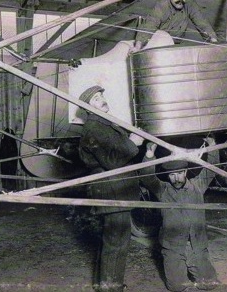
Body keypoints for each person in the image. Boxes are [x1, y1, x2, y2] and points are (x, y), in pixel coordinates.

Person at [77, 85, 144, 291]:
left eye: (101, 96)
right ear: (88, 108)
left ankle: (109, 285)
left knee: (115, 241)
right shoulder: (95, 129)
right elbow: (112, 161)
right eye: (95, 99)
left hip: (117, 189)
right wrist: (133, 143)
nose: (102, 100)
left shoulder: (104, 125)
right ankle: (110, 288)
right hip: (112, 191)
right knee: (116, 242)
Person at [139, 138, 221, 291]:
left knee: (210, 284)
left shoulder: (198, 185)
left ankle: (199, 269)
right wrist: (149, 155)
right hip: (173, 248)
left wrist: (213, 147)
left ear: (186, 172)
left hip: (196, 246)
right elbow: (147, 177)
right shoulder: (162, 190)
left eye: (179, 174)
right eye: (172, 175)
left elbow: (212, 169)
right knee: (176, 287)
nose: (176, 179)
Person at [133, 0, 218, 51]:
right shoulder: (162, 5)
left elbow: (202, 23)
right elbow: (150, 24)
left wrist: (213, 40)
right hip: (157, 45)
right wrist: (138, 46)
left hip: (175, 47)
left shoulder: (189, 4)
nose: (181, 1)